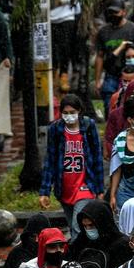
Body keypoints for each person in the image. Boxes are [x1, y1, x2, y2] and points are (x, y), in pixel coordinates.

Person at [39, 94, 104, 237]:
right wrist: (45, 191)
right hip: (65, 187)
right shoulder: (55, 130)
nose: (69, 116)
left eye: (72, 112)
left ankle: (78, 257)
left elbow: (97, 157)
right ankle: (83, 252)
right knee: (72, 225)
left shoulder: (88, 126)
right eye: (66, 113)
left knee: (77, 225)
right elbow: (50, 160)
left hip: (85, 185)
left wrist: (100, 189)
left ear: (79, 111)